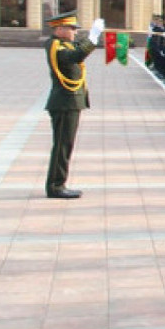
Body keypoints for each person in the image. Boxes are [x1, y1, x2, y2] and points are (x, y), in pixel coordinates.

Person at [44, 11, 104, 199]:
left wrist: (92, 37)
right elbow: (76, 55)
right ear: (59, 29)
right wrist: (93, 36)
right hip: (65, 103)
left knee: (65, 145)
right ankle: (56, 186)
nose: (74, 32)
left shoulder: (62, 44)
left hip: (69, 102)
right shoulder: (56, 47)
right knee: (62, 146)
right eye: (71, 28)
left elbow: (78, 47)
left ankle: (58, 183)